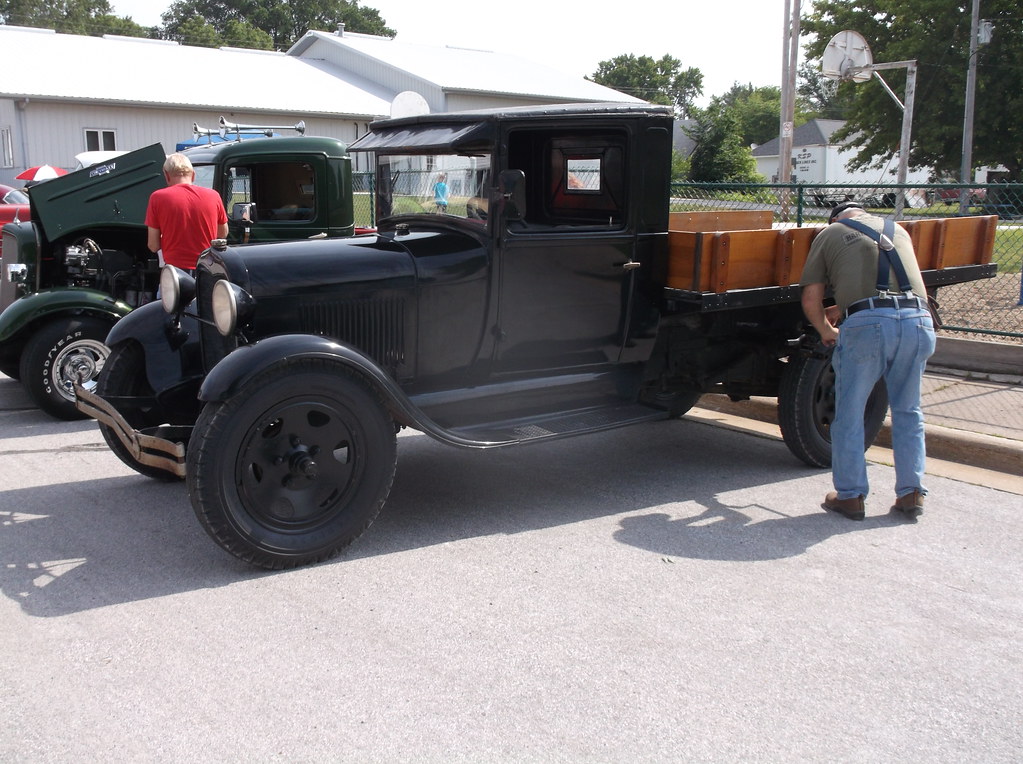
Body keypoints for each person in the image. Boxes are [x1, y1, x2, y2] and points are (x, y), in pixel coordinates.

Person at [799, 201, 936, 522]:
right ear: (864, 214)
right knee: (908, 411)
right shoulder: (897, 230)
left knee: (849, 413)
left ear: (836, 219)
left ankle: (850, 496)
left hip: (869, 328)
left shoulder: (830, 233)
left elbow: (810, 298)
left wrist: (826, 329)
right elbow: (900, 290)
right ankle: (911, 492)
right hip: (918, 321)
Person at [146, 153, 228, 271]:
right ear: (193, 175)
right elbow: (222, 233)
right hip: (206, 270)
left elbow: (153, 246)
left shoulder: (157, 197)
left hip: (176, 272)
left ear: (166, 175)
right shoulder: (213, 196)